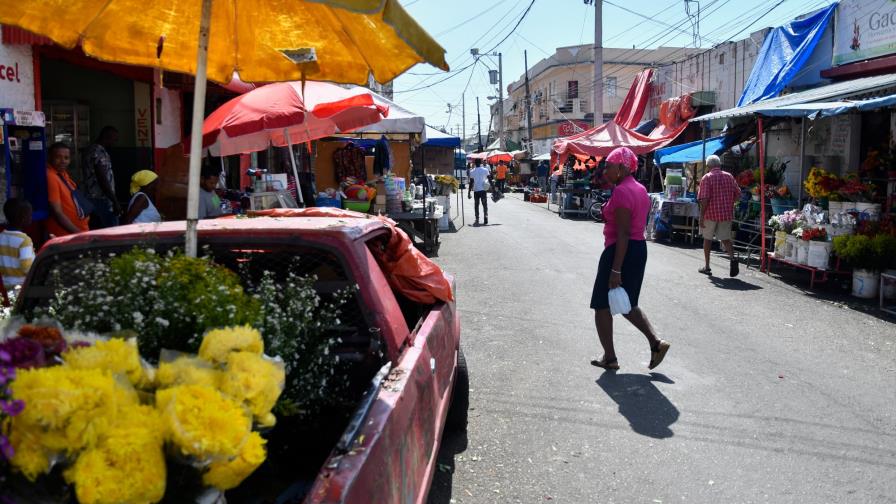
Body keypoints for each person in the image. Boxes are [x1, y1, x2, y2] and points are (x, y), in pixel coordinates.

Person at [590, 147, 669, 371]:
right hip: (637, 249)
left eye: (609, 166)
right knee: (627, 303)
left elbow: (623, 232)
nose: (606, 171)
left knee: (601, 305)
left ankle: (610, 357)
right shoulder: (640, 189)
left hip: (620, 250)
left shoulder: (623, 192)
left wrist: (616, 270)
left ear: (622, 168)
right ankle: (656, 343)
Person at [698, 154, 741, 277]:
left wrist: (701, 216)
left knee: (707, 240)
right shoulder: (729, 176)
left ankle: (707, 266)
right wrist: (730, 203)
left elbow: (704, 199)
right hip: (725, 214)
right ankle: (733, 259)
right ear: (719, 165)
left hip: (710, 214)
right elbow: (738, 194)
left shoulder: (707, 178)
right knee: (726, 239)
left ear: (708, 166)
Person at [46, 142, 90, 238]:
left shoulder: (63, 174)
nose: (63, 161)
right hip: (66, 235)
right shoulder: (51, 176)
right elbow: (57, 212)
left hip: (77, 233)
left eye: (66, 158)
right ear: (50, 158)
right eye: (58, 157)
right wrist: (79, 234)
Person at [83, 126, 121, 229]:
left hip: (92, 197)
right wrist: (115, 201)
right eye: (114, 139)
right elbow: (102, 178)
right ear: (106, 137)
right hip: (101, 199)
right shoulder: (99, 152)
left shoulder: (91, 149)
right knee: (111, 231)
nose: (115, 143)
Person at [0, 198, 35, 289]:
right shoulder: (24, 240)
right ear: (23, 218)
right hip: (20, 287)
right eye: (30, 215)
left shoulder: (1, 236)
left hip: (3, 286)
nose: (31, 218)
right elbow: (27, 268)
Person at [467, 159, 491, 226]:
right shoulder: (485, 170)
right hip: (483, 190)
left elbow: (471, 183)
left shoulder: (472, 171)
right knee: (484, 204)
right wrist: (493, 188)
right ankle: (485, 216)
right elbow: (489, 179)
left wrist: (469, 192)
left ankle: (477, 218)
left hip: (476, 190)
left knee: (476, 205)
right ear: (481, 163)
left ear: (475, 163)